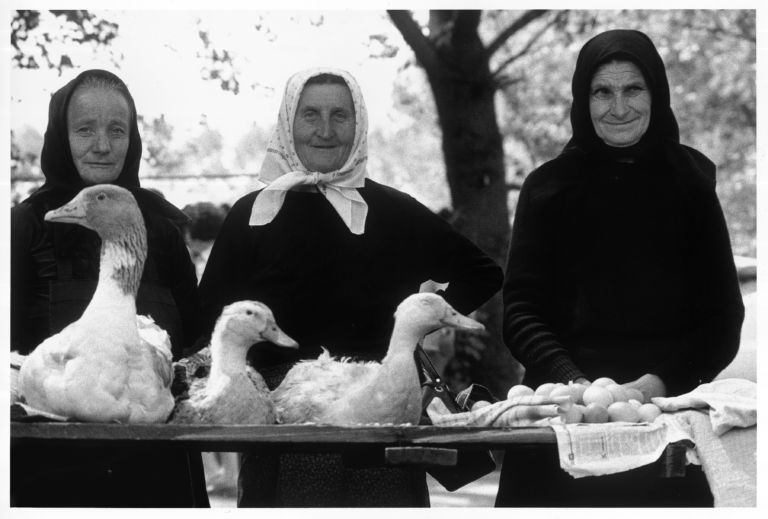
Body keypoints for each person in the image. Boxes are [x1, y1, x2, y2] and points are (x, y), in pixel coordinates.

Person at [198, 67, 503, 507]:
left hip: (378, 408)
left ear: (358, 123)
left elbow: (483, 272)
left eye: (340, 115)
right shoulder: (253, 215)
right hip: (286, 420)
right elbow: (209, 315)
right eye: (310, 115)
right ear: (288, 122)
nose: (325, 130)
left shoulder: (395, 212)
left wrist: (415, 325)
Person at [497, 29, 745, 507]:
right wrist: (579, 387)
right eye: (602, 92)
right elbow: (521, 311)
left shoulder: (692, 183)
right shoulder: (547, 188)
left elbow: (721, 318)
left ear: (656, 93)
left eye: (633, 89)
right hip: (560, 411)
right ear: (581, 99)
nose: (618, 107)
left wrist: (650, 386)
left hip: (663, 412)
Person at [10, 69, 209, 507]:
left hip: (157, 466)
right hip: (49, 472)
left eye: (116, 130)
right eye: (85, 129)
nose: (102, 145)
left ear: (132, 138)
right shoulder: (26, 226)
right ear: (61, 136)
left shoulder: (162, 228)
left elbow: (197, 335)